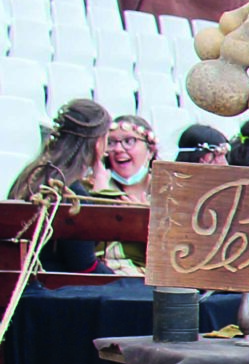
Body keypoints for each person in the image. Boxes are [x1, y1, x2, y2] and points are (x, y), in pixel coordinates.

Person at [7, 99, 112, 272]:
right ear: (98, 143)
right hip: (54, 291)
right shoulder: (73, 195)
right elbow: (84, 267)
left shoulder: (30, 176)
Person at [99, 116, 158, 198]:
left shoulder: (169, 190)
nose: (118, 149)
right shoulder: (93, 187)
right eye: (111, 142)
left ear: (150, 151)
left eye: (129, 141)